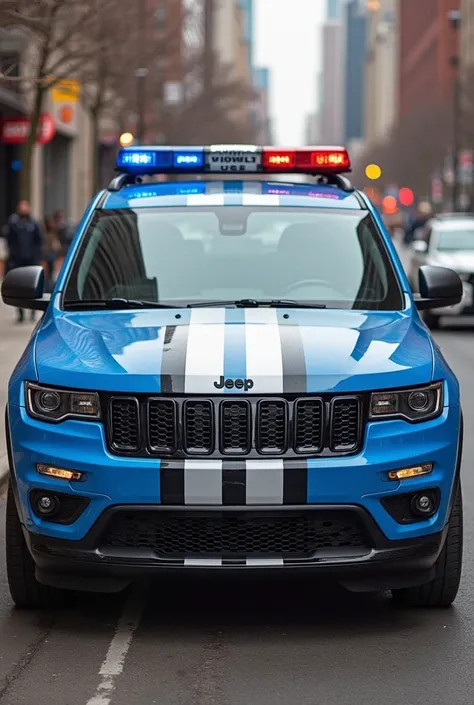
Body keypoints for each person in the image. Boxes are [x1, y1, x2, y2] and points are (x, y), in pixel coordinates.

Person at [4, 200, 43, 323]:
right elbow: (9, 240)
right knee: (19, 287)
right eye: (22, 207)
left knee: (33, 287)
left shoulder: (33, 224)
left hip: (31, 259)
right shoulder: (14, 223)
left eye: (26, 207)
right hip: (17, 260)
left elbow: (39, 241)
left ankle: (32, 312)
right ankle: (20, 312)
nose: (24, 210)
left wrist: (37, 256)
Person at [43, 216, 61, 291]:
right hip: (45, 256)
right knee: (46, 273)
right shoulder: (44, 234)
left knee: (51, 273)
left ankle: (49, 287)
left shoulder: (53, 233)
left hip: (51, 255)